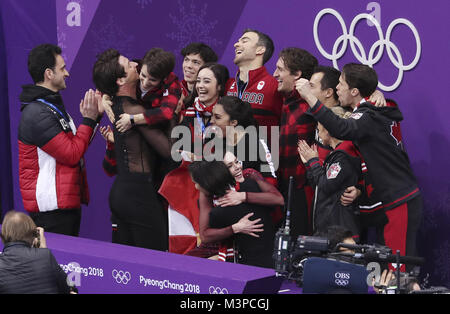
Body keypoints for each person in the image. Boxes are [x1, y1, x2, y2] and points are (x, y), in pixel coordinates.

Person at [296, 63, 423, 267]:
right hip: (389, 201)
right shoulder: (374, 110)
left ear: (354, 91)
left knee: (398, 269)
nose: (337, 88)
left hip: (399, 200)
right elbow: (368, 161)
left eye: (341, 84)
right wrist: (360, 189)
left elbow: (341, 127)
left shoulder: (368, 116)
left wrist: (309, 97)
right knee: (388, 267)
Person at [93, 49, 171, 251]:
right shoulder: (133, 109)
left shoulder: (116, 104)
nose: (136, 65)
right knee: (156, 259)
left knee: (127, 265)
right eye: (129, 65)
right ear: (120, 80)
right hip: (139, 195)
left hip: (122, 193)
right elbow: (168, 151)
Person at [18, 43, 100, 236]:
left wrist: (94, 118)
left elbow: (77, 148)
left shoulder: (50, 107)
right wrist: (88, 119)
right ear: (49, 73)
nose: (67, 73)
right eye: (62, 68)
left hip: (62, 206)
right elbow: (71, 155)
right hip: (51, 211)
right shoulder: (37, 113)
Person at [188, 159, 278, 268]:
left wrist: (243, 197)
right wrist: (236, 228)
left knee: (191, 265)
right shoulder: (251, 184)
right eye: (230, 165)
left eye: (196, 183)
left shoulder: (218, 213)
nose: (195, 187)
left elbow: (206, 236)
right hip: (263, 255)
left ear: (207, 183)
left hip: (250, 258)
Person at [273, 47, 318, 238]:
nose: (275, 74)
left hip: (304, 190)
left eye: (280, 69)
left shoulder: (314, 103)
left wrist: (376, 93)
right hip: (281, 186)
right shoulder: (283, 101)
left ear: (297, 74)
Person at [298, 106, 361, 239]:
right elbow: (319, 186)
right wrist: (309, 164)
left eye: (318, 129)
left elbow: (326, 186)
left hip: (341, 232)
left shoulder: (343, 155)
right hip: (330, 228)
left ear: (327, 130)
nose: (317, 133)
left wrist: (314, 161)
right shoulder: (336, 154)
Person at [226, 29, 283, 139]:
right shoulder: (228, 85)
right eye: (238, 41)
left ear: (260, 50)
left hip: (261, 154)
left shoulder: (274, 87)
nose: (236, 44)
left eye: (244, 41)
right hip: (227, 154)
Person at [0, 210, 74, 294]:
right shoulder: (45, 256)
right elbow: (70, 288)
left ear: (3, 236)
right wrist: (44, 250)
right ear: (34, 236)